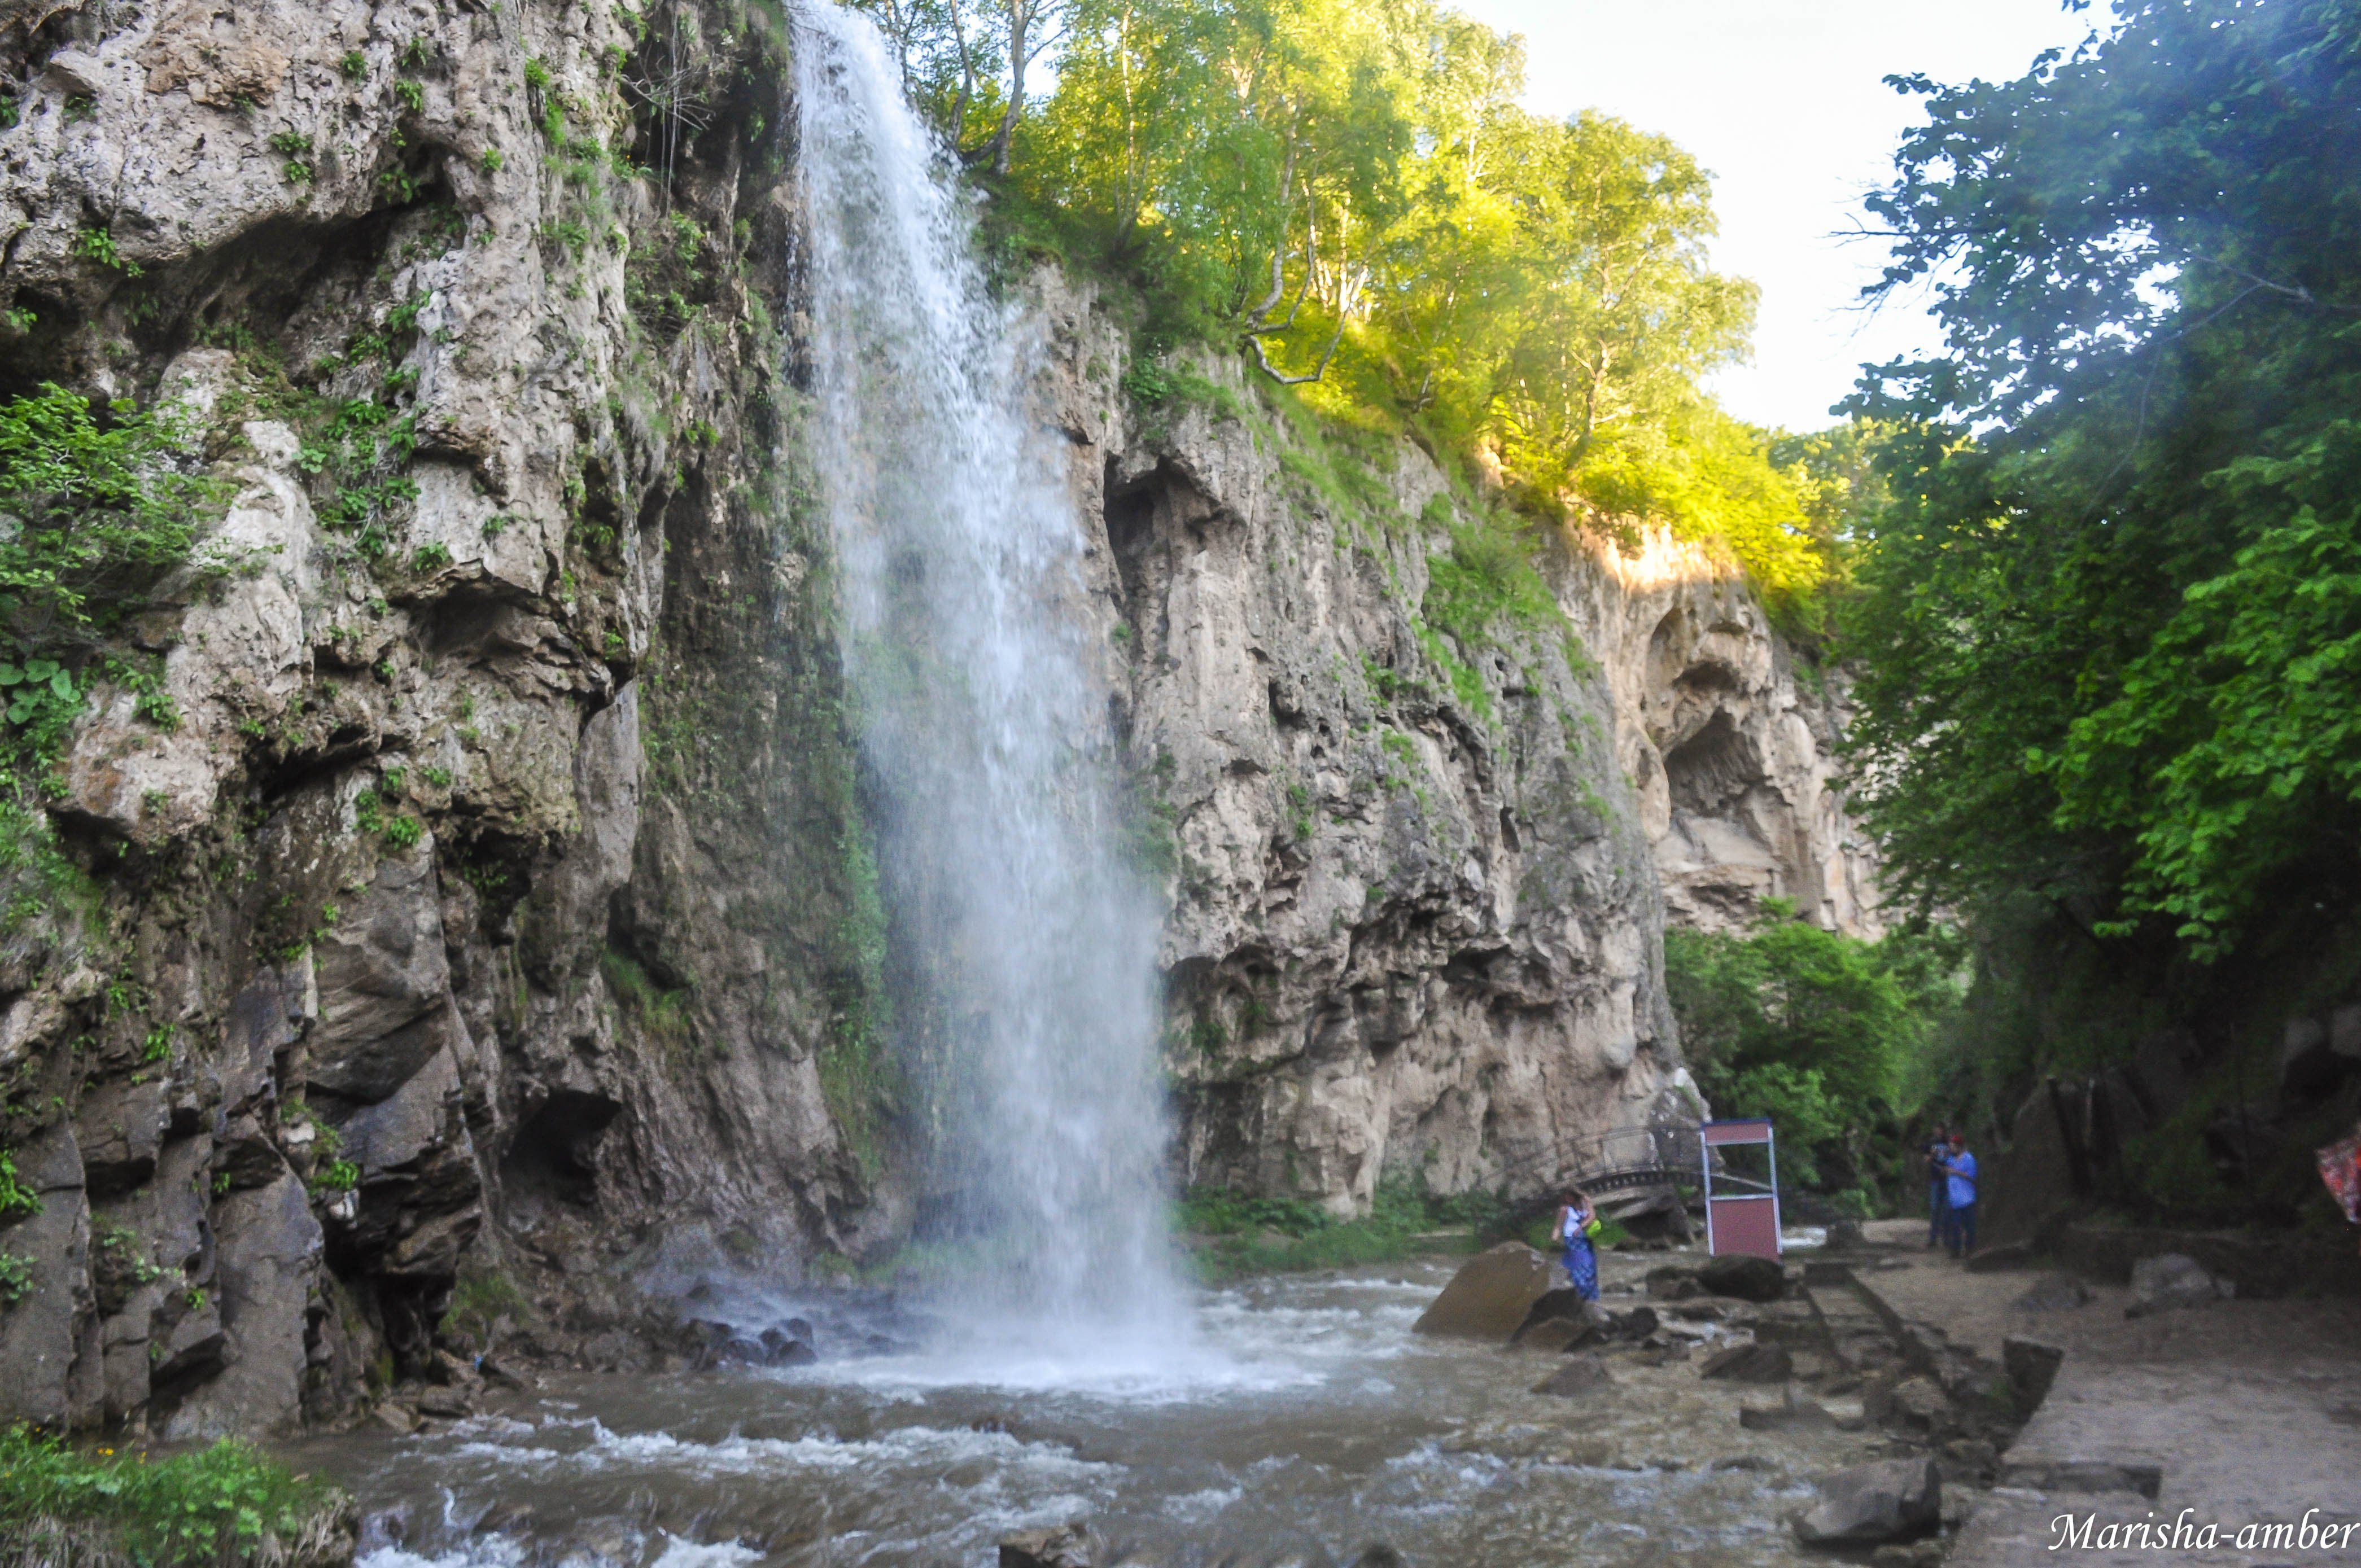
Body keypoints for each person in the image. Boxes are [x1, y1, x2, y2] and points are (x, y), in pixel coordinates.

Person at [1555, 1189, 1601, 1303]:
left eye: (1569, 1196)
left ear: (1574, 1195)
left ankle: (1591, 1297)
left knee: (1590, 1266)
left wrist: (1581, 1227)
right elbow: (1559, 1225)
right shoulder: (1565, 1209)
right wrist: (1555, 1236)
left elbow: (1592, 1216)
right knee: (1578, 1267)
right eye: (1566, 1197)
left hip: (1585, 1240)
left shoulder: (1585, 1202)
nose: (1568, 1199)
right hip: (1572, 1240)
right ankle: (1581, 1294)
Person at [1939, 1132, 1978, 1259]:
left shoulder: (1969, 1158)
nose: (1951, 1149)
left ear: (1960, 1147)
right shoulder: (1950, 1159)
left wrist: (1955, 1172)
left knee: (1970, 1227)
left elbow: (1972, 1176)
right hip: (1954, 1200)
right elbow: (1943, 1165)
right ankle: (1955, 1250)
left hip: (1967, 1199)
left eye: (1953, 1146)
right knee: (1955, 1227)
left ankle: (1970, 1250)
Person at [1924, 1126, 1952, 1249]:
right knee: (1935, 1208)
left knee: (1946, 1209)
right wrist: (1931, 1155)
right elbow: (1926, 1159)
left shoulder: (1949, 1142)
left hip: (1948, 1178)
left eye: (1940, 1129)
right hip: (1935, 1178)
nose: (1938, 1131)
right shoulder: (1931, 1143)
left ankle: (1946, 1238)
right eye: (1936, 1129)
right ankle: (1933, 1238)